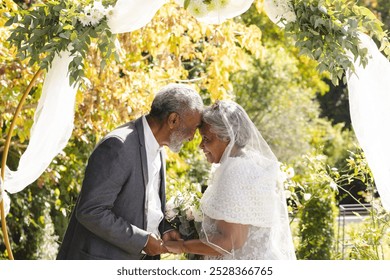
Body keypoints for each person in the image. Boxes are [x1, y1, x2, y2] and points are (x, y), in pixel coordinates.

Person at [56, 84, 203, 260]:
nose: (193, 136)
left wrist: (164, 229)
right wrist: (142, 241)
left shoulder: (159, 148)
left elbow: (145, 206)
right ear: (173, 120)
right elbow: (91, 210)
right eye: (193, 127)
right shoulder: (119, 146)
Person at [164, 100, 296, 259]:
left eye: (206, 138)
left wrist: (181, 246)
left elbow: (231, 241)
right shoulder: (249, 164)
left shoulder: (236, 171)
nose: (200, 146)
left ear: (227, 138)